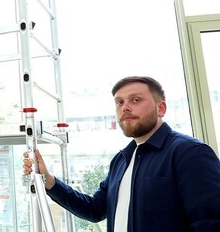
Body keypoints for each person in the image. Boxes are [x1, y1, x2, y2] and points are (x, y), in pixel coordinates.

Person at [23, 76, 220, 231]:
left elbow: (210, 224)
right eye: (119, 102)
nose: (125, 107)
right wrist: (48, 180)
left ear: (161, 108)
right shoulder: (122, 160)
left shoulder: (190, 153)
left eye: (136, 100)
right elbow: (94, 209)